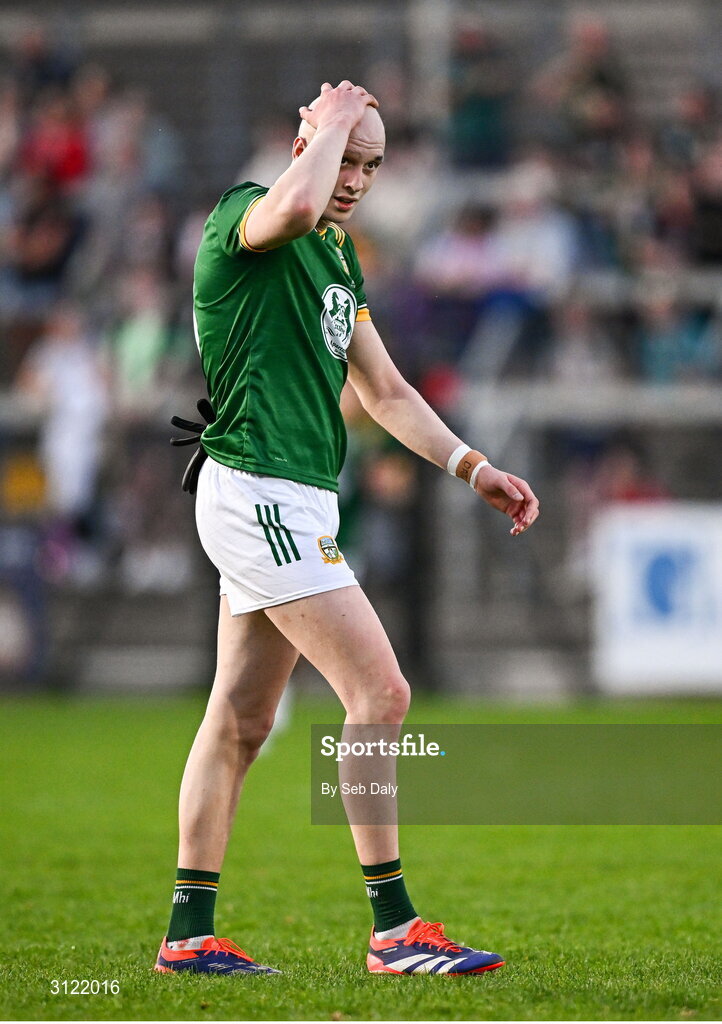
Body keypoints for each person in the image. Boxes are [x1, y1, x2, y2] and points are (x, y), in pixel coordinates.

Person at [154, 80, 539, 977]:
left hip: (293, 498)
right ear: (305, 140)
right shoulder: (245, 216)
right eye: (346, 156)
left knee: (242, 722)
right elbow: (289, 203)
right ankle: (395, 929)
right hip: (262, 495)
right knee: (383, 694)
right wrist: (326, 126)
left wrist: (473, 467)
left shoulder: (336, 259)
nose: (357, 177)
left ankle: (188, 933)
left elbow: (388, 393)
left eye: (372, 163)